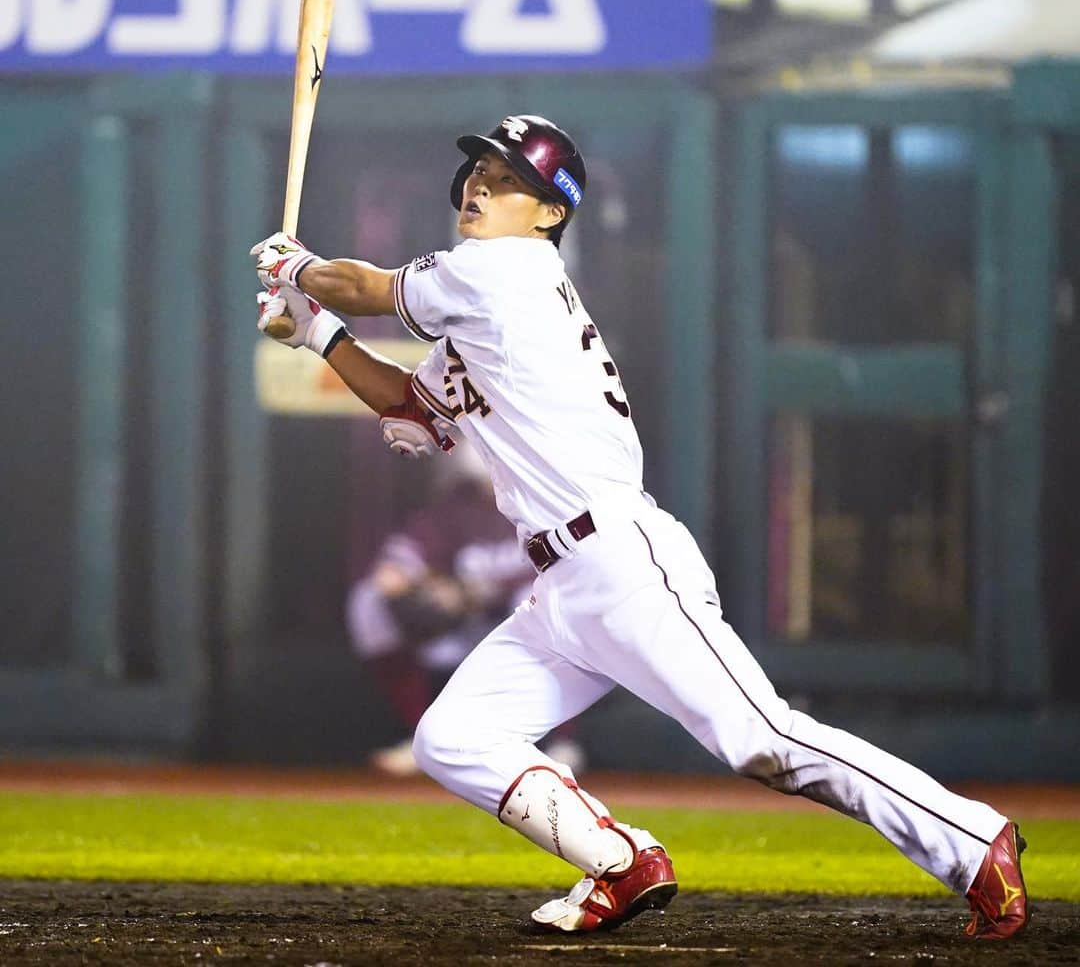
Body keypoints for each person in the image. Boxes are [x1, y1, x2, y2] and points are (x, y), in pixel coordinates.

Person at [251, 114, 1028, 938]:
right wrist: (317, 333)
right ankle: (621, 863)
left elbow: (368, 285)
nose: (481, 184)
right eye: (479, 170)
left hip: (621, 560)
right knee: (454, 736)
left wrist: (295, 267)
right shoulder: (483, 308)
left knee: (764, 741)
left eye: (508, 177)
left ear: (550, 212)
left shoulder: (504, 269)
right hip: (562, 585)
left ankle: (972, 841)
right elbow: (410, 401)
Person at [346, 447, 584, 775]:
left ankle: (558, 741)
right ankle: (422, 738)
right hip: (464, 630)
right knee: (367, 602)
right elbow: (394, 571)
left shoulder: (550, 505)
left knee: (551, 599)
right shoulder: (453, 512)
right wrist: (431, 583)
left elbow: (574, 570)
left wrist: (471, 592)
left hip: (527, 631)